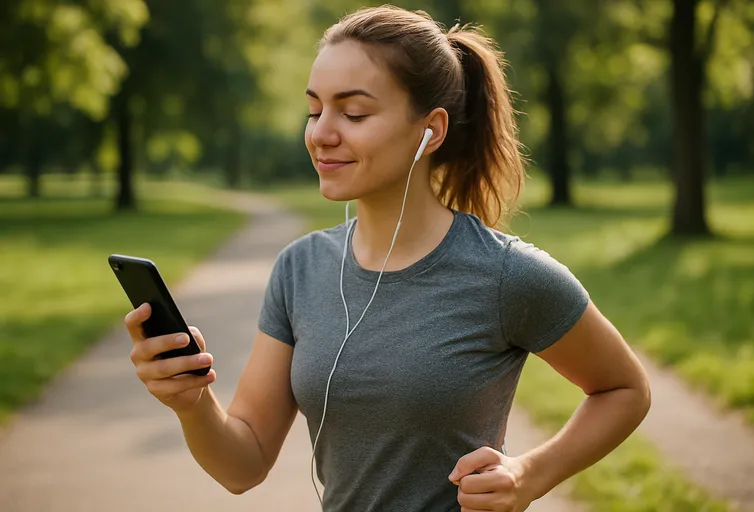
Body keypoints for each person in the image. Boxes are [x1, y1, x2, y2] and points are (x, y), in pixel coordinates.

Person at [124, 5, 651, 511]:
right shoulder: (300, 269)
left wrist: (530, 473)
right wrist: (191, 403)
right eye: (314, 110)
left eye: (353, 113)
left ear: (431, 130)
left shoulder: (505, 274)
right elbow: (243, 465)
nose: (321, 134)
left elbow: (625, 388)